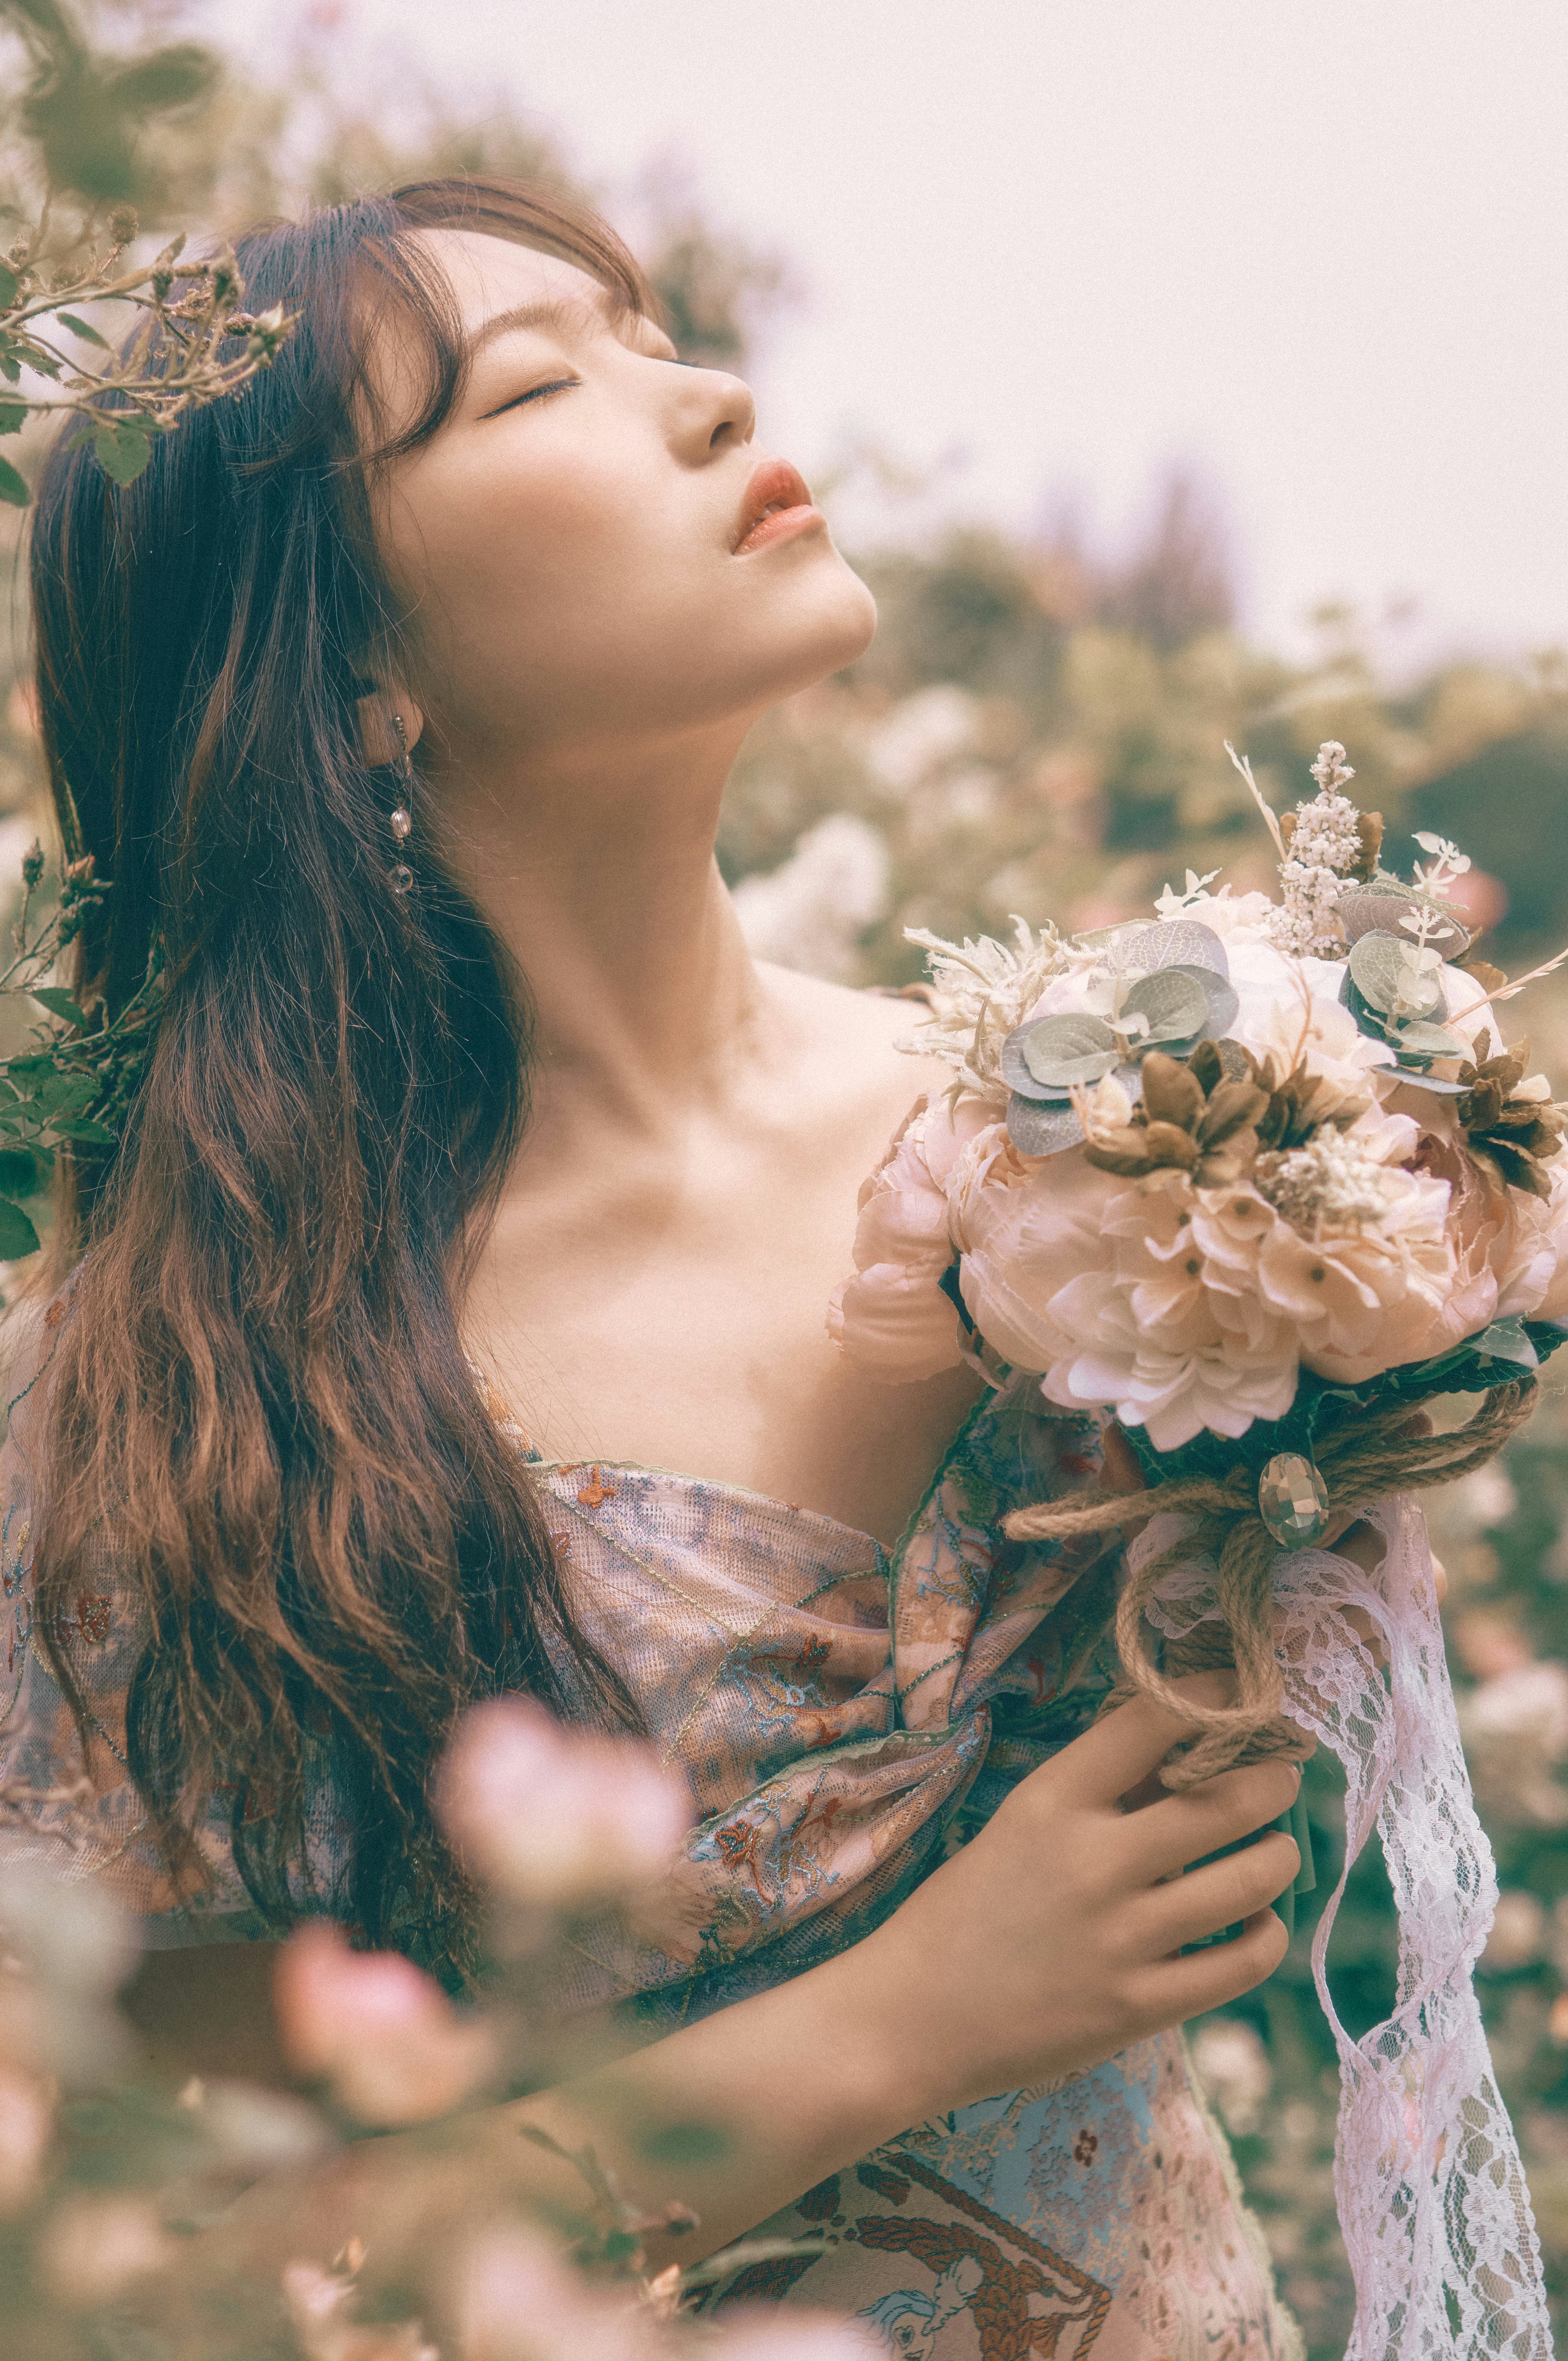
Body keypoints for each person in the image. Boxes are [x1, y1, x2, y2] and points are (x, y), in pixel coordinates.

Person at [0, 177, 1314, 2355]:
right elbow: (173, 2281)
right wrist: (899, 2021)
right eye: (540, 382)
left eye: (655, 332)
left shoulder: (1131, 1141)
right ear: (355, 665)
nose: (704, 398)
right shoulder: (176, 1399)